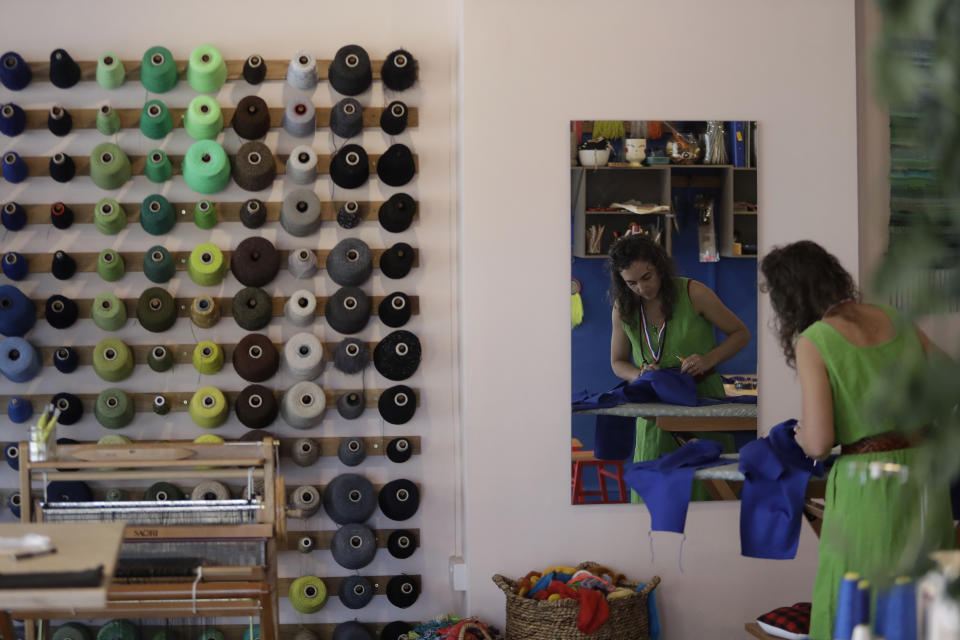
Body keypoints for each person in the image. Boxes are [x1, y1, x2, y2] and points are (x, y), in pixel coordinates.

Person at [760, 240, 955, 639]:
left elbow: (818, 443)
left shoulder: (816, 339)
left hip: (870, 487)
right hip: (925, 479)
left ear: (789, 299)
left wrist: (800, 434)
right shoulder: (893, 317)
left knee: (858, 595)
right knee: (924, 594)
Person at [608, 233, 751, 474]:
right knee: (657, 487)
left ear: (660, 268)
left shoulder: (694, 293)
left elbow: (741, 334)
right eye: (631, 283)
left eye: (647, 277)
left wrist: (708, 360)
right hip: (654, 406)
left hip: (702, 401)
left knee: (709, 488)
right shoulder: (623, 307)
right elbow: (618, 362)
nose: (642, 288)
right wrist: (639, 375)